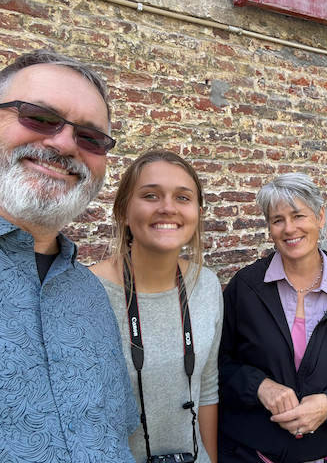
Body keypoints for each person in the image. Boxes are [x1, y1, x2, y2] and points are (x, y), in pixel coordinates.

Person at [0, 49, 139, 461]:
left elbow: (115, 436)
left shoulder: (88, 293)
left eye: (90, 138)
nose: (63, 144)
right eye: (39, 117)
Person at [218, 172, 327, 463]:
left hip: (323, 454)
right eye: (278, 220)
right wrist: (259, 386)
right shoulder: (245, 288)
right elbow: (218, 363)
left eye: (298, 216)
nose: (289, 229)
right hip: (247, 453)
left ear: (319, 217)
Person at [90, 150, 223, 463]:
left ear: (198, 212)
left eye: (182, 197)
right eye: (151, 195)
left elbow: (206, 387)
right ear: (123, 210)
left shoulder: (207, 285)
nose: (167, 208)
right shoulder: (88, 291)